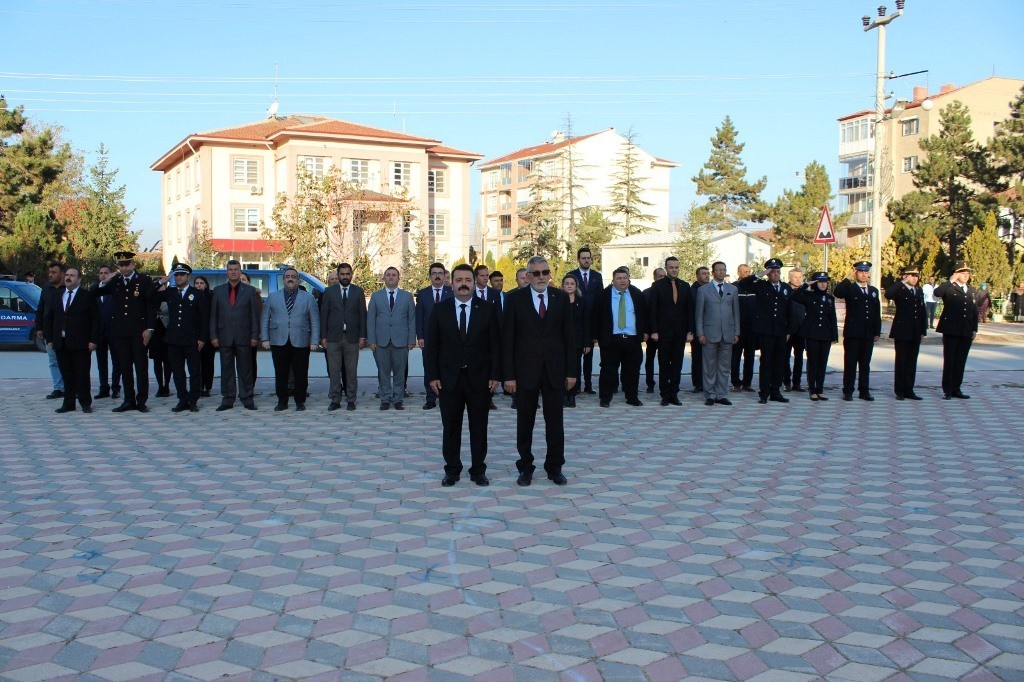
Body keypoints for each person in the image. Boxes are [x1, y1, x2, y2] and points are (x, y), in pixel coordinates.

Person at [424, 263, 501, 487]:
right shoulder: (440, 309)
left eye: (468, 280)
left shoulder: (487, 309)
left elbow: (495, 345)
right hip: (449, 380)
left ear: (474, 283)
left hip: (480, 379)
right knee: (451, 427)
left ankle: (478, 470)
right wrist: (432, 376)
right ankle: (452, 470)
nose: (464, 284)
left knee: (479, 427)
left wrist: (495, 374)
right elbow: (432, 346)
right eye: (459, 280)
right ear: (451, 283)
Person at [503, 256, 575, 486]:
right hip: (525, 372)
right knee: (525, 423)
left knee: (555, 423)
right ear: (528, 276)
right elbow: (508, 339)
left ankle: (555, 467)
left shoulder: (561, 298)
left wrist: (571, 372)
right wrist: (509, 376)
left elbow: (569, 337)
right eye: (536, 273)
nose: (541, 277)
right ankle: (525, 467)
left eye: (545, 272)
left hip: (555, 371)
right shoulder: (514, 299)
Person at [95, 251, 157, 413]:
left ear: (133, 264)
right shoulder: (115, 281)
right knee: (124, 367)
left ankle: (141, 401)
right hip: (120, 331)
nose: (124, 268)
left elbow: (150, 305)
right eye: (121, 265)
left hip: (139, 331)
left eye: (127, 264)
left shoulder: (143, 280)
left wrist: (150, 328)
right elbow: (95, 292)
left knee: (141, 367)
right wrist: (105, 280)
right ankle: (128, 400)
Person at [261, 267, 319, 411]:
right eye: (287, 276)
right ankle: (282, 401)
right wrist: (265, 339)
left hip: (301, 340)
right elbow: (264, 319)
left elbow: (315, 321)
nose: (290, 279)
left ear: (298, 280)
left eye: (293, 276)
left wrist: (314, 341)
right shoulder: (273, 297)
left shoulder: (308, 298)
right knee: (281, 373)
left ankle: (300, 401)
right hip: (278, 340)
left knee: (301, 373)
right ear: (283, 280)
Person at [154, 264, 209, 412]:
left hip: (192, 339)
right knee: (178, 371)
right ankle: (182, 399)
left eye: (182, 275)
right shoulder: (170, 292)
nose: (179, 277)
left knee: (194, 371)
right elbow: (150, 294)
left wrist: (202, 338)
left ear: (188, 276)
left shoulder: (196, 293)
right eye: (176, 275)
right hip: (174, 339)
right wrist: (160, 282)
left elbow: (204, 318)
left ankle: (193, 400)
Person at [44, 267, 99, 413]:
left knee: (82, 374)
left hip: (81, 342)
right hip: (61, 341)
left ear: (79, 279)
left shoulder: (86, 296)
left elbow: (95, 319)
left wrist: (93, 340)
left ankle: (85, 402)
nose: (68, 278)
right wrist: (49, 338)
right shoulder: (57, 294)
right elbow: (49, 317)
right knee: (66, 374)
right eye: (67, 275)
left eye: (72, 275)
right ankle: (68, 404)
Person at [736, 258, 792, 404]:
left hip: (780, 331)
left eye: (777, 271)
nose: (775, 274)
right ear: (768, 273)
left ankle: (775, 391)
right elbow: (743, 284)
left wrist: (789, 330)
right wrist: (757, 275)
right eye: (772, 271)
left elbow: (790, 309)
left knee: (779, 363)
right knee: (766, 363)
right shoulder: (761, 285)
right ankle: (764, 393)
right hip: (766, 331)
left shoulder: (785, 287)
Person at [591, 266, 647, 408]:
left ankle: (632, 397)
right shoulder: (603, 295)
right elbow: (595, 317)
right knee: (608, 370)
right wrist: (595, 336)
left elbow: (643, 314)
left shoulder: (636, 293)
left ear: (628, 279)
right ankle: (605, 398)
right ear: (613, 280)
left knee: (632, 370)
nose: (622, 281)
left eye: (625, 278)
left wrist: (645, 332)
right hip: (611, 338)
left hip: (632, 338)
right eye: (619, 278)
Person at [210, 260, 260, 411]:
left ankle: (247, 398)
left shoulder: (250, 291)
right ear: (227, 272)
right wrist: (213, 336)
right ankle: (228, 399)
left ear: (240, 271)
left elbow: (254, 315)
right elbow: (213, 315)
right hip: (224, 335)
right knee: (226, 369)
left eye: (236, 269)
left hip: (244, 335)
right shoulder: (218, 291)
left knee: (245, 369)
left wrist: (254, 336)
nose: (233, 272)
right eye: (230, 269)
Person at [367, 266, 416, 410]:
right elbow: (371, 319)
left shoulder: (407, 296)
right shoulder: (376, 296)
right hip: (381, 341)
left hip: (401, 340)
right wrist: (371, 340)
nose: (391, 277)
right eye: (388, 274)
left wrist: (411, 340)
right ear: (384, 278)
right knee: (383, 372)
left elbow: (411, 319)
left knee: (400, 373)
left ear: (398, 278)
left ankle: (398, 399)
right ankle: (385, 399)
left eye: (394, 275)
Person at [320, 263, 367, 412]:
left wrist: (363, 336)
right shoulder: (329, 292)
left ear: (351, 275)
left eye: (347, 274)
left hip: (352, 337)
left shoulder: (358, 291)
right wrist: (323, 336)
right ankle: (335, 399)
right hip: (333, 337)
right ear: (338, 275)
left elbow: (362, 315)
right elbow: (324, 315)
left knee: (351, 371)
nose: (345, 277)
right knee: (334, 371)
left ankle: (351, 399)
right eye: (342, 274)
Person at [833, 261, 882, 401]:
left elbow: (876, 312)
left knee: (865, 364)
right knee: (850, 363)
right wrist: (848, 277)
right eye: (861, 272)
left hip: (868, 333)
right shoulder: (850, 288)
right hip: (853, 333)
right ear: (856, 273)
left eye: (866, 272)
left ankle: (864, 391)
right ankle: (848, 390)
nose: (864, 275)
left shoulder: (873, 291)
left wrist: (877, 331)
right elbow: (837, 292)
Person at [647, 256, 693, 407]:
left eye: (676, 267)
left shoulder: (685, 286)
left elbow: (689, 310)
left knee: (677, 365)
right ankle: (664, 395)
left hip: (680, 332)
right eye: (671, 267)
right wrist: (654, 331)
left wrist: (690, 331)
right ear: (666, 268)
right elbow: (653, 309)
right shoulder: (657, 286)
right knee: (664, 364)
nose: (674, 270)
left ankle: (674, 394)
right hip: (663, 332)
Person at [694, 261, 739, 406]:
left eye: (723, 269)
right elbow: (699, 314)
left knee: (724, 366)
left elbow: (736, 312)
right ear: (713, 272)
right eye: (718, 270)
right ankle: (710, 394)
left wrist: (736, 332)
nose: (721, 272)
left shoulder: (732, 289)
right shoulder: (703, 290)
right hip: (709, 333)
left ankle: (721, 394)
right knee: (709, 366)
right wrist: (700, 333)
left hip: (728, 333)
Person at [934, 263, 978, 400]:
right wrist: (950, 280)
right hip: (951, 329)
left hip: (966, 330)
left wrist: (974, 329)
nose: (966, 276)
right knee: (950, 360)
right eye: (963, 273)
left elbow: (974, 311)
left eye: (968, 273)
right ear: (956, 274)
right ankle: (947, 390)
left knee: (960, 361)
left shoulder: (971, 290)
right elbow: (937, 293)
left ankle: (956, 388)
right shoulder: (949, 287)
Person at [792, 272, 838, 401]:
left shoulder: (829, 298)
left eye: (825, 282)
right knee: (813, 362)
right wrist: (805, 285)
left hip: (825, 334)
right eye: (820, 282)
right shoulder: (808, 295)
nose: (823, 284)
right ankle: (812, 389)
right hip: (812, 334)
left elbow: (832, 317)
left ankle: (820, 389)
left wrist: (834, 335)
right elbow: (795, 296)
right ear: (814, 283)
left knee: (822, 363)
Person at [885, 267, 927, 401]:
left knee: (912, 362)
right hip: (902, 331)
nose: (914, 278)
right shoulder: (900, 289)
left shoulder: (918, 290)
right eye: (911, 275)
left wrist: (923, 329)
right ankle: (900, 391)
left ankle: (909, 389)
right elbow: (888, 294)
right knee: (901, 361)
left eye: (916, 276)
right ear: (905, 276)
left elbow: (922, 311)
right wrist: (902, 282)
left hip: (915, 331)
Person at [415, 263, 453, 410]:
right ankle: (430, 398)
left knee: (447, 368)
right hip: (428, 338)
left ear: (444, 276)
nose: (437, 276)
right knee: (429, 367)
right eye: (434, 273)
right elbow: (419, 316)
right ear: (430, 276)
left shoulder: (451, 292)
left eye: (440, 273)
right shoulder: (423, 293)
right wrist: (420, 336)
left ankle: (446, 397)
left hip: (448, 338)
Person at [567, 247, 604, 395]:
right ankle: (575, 386)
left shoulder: (597, 276)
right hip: (576, 319)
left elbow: (600, 298)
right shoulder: (572, 275)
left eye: (588, 258)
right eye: (583, 258)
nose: (586, 260)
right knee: (575, 357)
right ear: (578, 260)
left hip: (592, 321)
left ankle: (588, 385)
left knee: (589, 356)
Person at [35, 261, 66, 400]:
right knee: (53, 361)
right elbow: (41, 309)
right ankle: (58, 388)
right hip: (50, 332)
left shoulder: (68, 289)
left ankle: (72, 388)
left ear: (62, 274)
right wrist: (39, 327)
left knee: (68, 362)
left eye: (54, 272)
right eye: (49, 272)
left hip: (65, 331)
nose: (50, 275)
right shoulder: (46, 289)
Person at [561, 274, 591, 408]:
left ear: (576, 286)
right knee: (561, 369)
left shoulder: (581, 302)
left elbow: (586, 323)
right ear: (562, 286)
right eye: (566, 283)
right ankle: (563, 395)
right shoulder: (557, 300)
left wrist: (587, 343)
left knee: (575, 368)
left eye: (572, 284)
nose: (569, 286)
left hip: (577, 341)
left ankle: (572, 395)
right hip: (561, 341)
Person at [92, 264, 121, 400]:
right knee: (101, 361)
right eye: (101, 273)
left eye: (106, 273)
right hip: (99, 331)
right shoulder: (95, 289)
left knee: (116, 361)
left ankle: (115, 388)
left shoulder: (115, 289)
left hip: (114, 330)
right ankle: (104, 388)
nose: (103, 275)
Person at [731, 263, 758, 393]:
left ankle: (747, 383)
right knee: (735, 356)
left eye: (749, 272)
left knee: (750, 356)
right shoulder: (733, 287)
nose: (748, 274)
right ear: (739, 273)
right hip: (738, 329)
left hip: (752, 329)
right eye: (745, 272)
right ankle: (736, 383)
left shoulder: (754, 287)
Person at [642, 267, 666, 394]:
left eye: (664, 276)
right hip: (651, 332)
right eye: (660, 276)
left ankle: (664, 383)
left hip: (665, 332)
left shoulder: (669, 291)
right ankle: (650, 383)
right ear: (654, 277)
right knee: (650, 359)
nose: (662, 278)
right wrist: (647, 331)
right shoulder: (646, 293)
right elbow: (644, 314)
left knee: (665, 360)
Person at [783, 268, 806, 392]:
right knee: (785, 357)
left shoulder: (805, 292)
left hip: (801, 329)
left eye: (800, 277)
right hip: (788, 330)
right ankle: (786, 382)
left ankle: (796, 383)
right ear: (789, 278)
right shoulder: (785, 290)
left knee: (799, 357)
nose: (798, 279)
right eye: (795, 277)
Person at [192, 276, 216, 397]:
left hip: (209, 334)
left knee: (208, 362)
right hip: (195, 333)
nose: (199, 285)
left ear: (206, 284)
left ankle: (208, 387)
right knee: (197, 362)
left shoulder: (211, 296)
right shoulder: (191, 295)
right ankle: (199, 386)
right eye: (197, 283)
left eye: (201, 283)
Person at [689, 266, 711, 393]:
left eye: (708, 273)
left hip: (711, 328)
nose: (706, 276)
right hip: (697, 329)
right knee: (697, 358)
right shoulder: (692, 291)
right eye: (703, 273)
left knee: (710, 358)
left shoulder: (713, 289)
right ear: (697, 276)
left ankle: (710, 382)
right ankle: (698, 384)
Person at [239, 271, 262, 389]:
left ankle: (250, 386)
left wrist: (256, 334)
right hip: (235, 334)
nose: (241, 282)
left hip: (250, 334)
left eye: (244, 279)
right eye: (240, 279)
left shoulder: (255, 295)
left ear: (249, 282)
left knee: (251, 361)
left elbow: (258, 315)